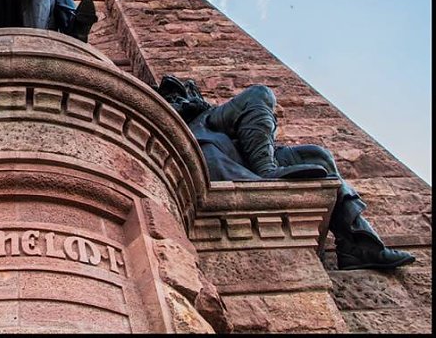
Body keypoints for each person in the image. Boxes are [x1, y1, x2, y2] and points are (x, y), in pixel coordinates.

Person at [155, 75, 415, 271]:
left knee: (317, 155)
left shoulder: (210, 115)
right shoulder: (183, 119)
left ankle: (356, 243)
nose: (180, 97)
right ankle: (267, 171)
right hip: (201, 147)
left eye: (183, 93)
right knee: (257, 94)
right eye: (172, 95)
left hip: (227, 147)